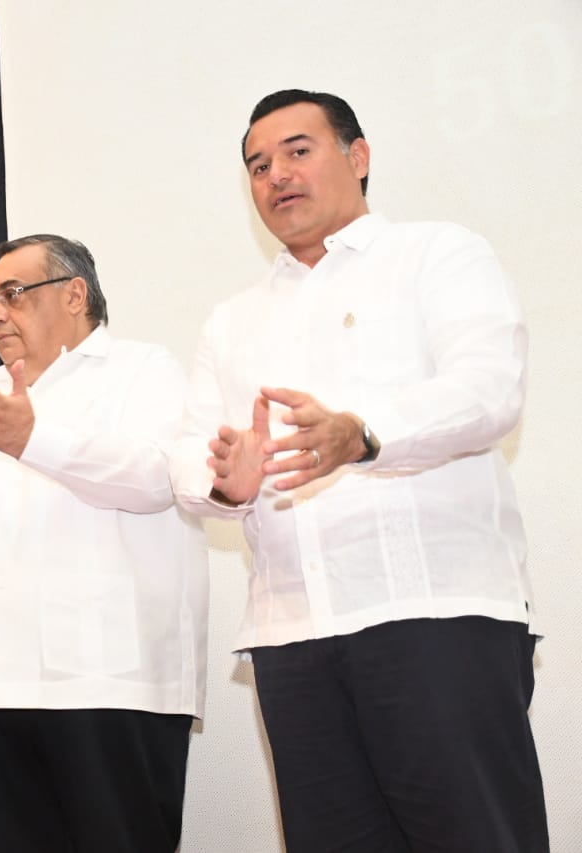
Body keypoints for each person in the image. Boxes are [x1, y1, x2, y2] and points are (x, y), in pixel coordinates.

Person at [171, 89, 547, 851]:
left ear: (359, 156)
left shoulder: (438, 253)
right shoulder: (231, 318)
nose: (276, 174)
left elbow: (488, 387)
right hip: (293, 636)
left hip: (436, 617)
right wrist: (223, 483)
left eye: (298, 151)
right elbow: (189, 448)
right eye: (257, 164)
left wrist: (364, 433)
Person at [0, 234, 208, 853]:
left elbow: (156, 478)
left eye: (13, 294)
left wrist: (29, 438)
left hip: (112, 683)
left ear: (74, 294)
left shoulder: (144, 369)